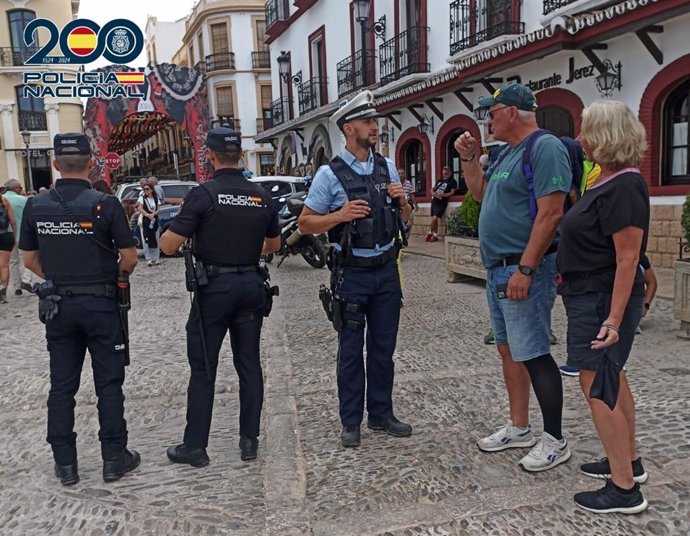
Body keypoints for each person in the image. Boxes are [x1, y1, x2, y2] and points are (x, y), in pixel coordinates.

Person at [455, 82, 572, 472]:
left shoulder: (545, 147)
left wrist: (526, 268)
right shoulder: (505, 153)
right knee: (508, 350)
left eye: (492, 111)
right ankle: (520, 427)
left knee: (534, 352)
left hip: (522, 269)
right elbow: (479, 195)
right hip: (498, 269)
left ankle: (555, 439)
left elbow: (551, 213)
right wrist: (470, 159)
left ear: (512, 112)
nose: (487, 118)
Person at [18, 132, 140, 486]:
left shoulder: (37, 206)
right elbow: (130, 258)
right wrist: (105, 276)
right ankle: (114, 459)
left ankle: (66, 465)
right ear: (90, 163)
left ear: (55, 164)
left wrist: (58, 277)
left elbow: (29, 260)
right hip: (101, 304)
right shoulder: (105, 204)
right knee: (109, 385)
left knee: (61, 386)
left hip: (58, 305)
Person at [298, 90, 413, 448]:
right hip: (352, 274)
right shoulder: (329, 175)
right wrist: (339, 216)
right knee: (350, 352)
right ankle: (351, 421)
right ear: (349, 129)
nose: (374, 127)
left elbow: (405, 219)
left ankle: (381, 413)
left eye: (374, 121)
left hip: (386, 271)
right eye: (367, 122)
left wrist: (402, 202)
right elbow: (305, 223)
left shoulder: (387, 167)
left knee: (383, 349)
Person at [160, 127, 280, 465]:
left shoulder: (203, 194)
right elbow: (274, 245)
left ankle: (195, 447)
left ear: (210, 156)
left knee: (204, 369)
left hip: (214, 289)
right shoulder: (261, 195)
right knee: (249, 365)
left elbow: (169, 245)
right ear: (240, 155)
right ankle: (249, 442)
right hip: (250, 286)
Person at [557, 101, 650, 514]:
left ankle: (623, 488)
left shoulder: (624, 185)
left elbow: (628, 259)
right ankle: (627, 462)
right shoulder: (607, 180)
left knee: (597, 385)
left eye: (587, 131)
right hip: (590, 295)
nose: (581, 139)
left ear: (607, 136)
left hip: (600, 299)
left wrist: (612, 319)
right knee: (612, 378)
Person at [3, 179, 34, 297]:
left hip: (7, 235)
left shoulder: (2, 200)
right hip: (23, 233)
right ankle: (26, 280)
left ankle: (16, 287)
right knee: (29, 258)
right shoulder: (23, 200)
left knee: (13, 262)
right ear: (16, 188)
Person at [425, 166, 457, 242]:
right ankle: (435, 235)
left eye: (446, 173)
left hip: (442, 201)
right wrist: (432, 192)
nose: (444, 175)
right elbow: (433, 188)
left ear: (450, 173)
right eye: (443, 173)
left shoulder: (453, 182)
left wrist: (444, 195)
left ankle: (430, 232)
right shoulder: (440, 180)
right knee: (434, 219)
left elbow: (452, 192)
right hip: (435, 200)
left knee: (435, 218)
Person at [136, 180, 161, 266]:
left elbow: (158, 209)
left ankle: (156, 258)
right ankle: (149, 258)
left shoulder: (156, 199)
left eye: (147, 189)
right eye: (144, 189)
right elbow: (140, 208)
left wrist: (153, 214)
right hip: (146, 221)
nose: (145, 191)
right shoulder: (142, 198)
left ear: (151, 190)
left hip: (154, 220)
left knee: (155, 238)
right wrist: (147, 215)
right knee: (146, 239)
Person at [0, 191, 17, 303]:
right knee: (4, 265)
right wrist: (15, 236)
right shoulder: (4, 201)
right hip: (6, 235)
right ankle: (2, 291)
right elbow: (13, 221)